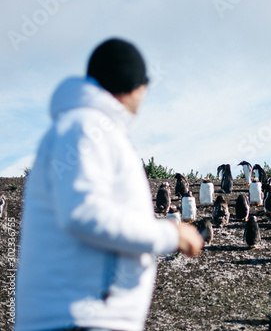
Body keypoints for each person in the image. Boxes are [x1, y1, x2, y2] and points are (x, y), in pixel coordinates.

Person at [15, 38, 204, 331]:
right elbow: (83, 213)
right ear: (137, 87)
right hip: (79, 320)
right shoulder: (86, 127)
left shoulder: (88, 127)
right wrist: (170, 234)